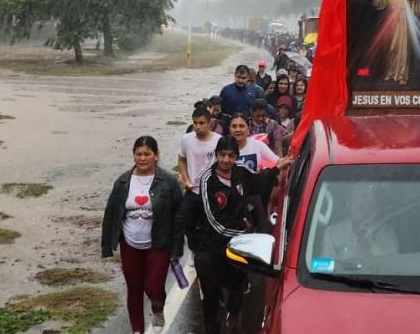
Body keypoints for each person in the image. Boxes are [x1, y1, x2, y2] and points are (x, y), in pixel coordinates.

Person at [186, 137, 293, 334]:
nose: (226, 160)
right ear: (216, 155)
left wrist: (277, 167)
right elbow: (214, 221)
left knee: (236, 293)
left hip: (237, 249)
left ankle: (233, 318)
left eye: (231, 156)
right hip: (211, 249)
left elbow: (259, 180)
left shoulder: (241, 173)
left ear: (236, 157)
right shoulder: (207, 181)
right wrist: (242, 231)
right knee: (211, 300)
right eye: (222, 155)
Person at [101, 136, 183, 334]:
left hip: (159, 243)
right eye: (138, 154)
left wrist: (177, 247)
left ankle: (157, 307)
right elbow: (111, 213)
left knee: (154, 286)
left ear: (156, 156)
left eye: (147, 154)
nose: (143, 158)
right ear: (133, 156)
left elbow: (180, 214)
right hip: (130, 244)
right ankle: (137, 329)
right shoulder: (122, 182)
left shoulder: (168, 182)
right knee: (134, 289)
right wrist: (106, 246)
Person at [178, 107, 222, 256]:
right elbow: (182, 160)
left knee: (208, 224)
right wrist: (185, 178)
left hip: (210, 192)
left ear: (209, 123)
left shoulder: (218, 140)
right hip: (192, 189)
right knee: (184, 221)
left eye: (201, 123)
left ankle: (207, 253)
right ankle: (192, 251)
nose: (197, 126)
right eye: (195, 123)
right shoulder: (186, 139)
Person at [369, 0, 420, 86]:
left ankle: (402, 75)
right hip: (391, 19)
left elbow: (417, 5)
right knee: (391, 47)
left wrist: (413, 0)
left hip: (404, 19)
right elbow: (378, 2)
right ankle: (390, 71)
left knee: (403, 48)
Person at [322, 183, 399, 261]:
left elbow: (392, 265)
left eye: (365, 196)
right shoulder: (332, 232)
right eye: (356, 196)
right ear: (348, 204)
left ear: (375, 205)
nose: (360, 202)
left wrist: (371, 245)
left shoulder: (387, 232)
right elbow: (326, 268)